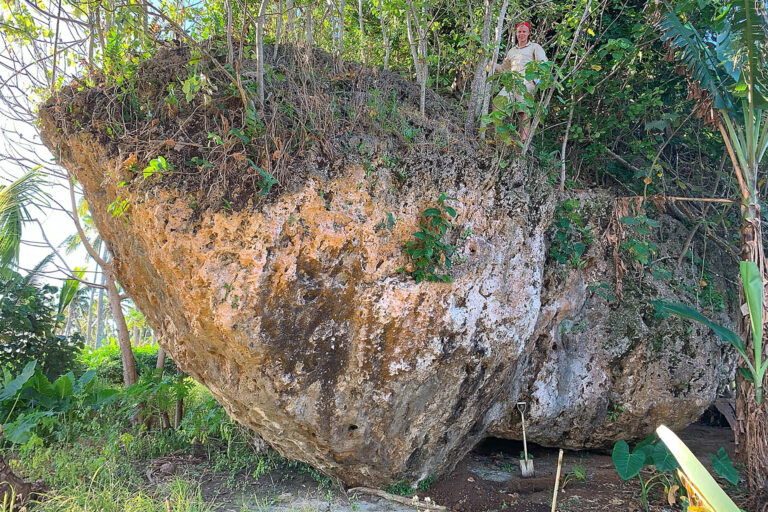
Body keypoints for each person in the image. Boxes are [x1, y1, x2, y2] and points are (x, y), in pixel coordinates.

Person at [492, 22, 547, 142]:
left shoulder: (535, 47)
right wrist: (491, 64)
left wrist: (538, 82)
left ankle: (523, 141)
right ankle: (499, 139)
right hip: (512, 83)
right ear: (516, 33)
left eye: (524, 31)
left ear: (528, 33)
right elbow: (505, 69)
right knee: (496, 105)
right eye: (519, 32)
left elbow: (544, 64)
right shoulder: (512, 51)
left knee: (523, 112)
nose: (521, 34)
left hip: (527, 83)